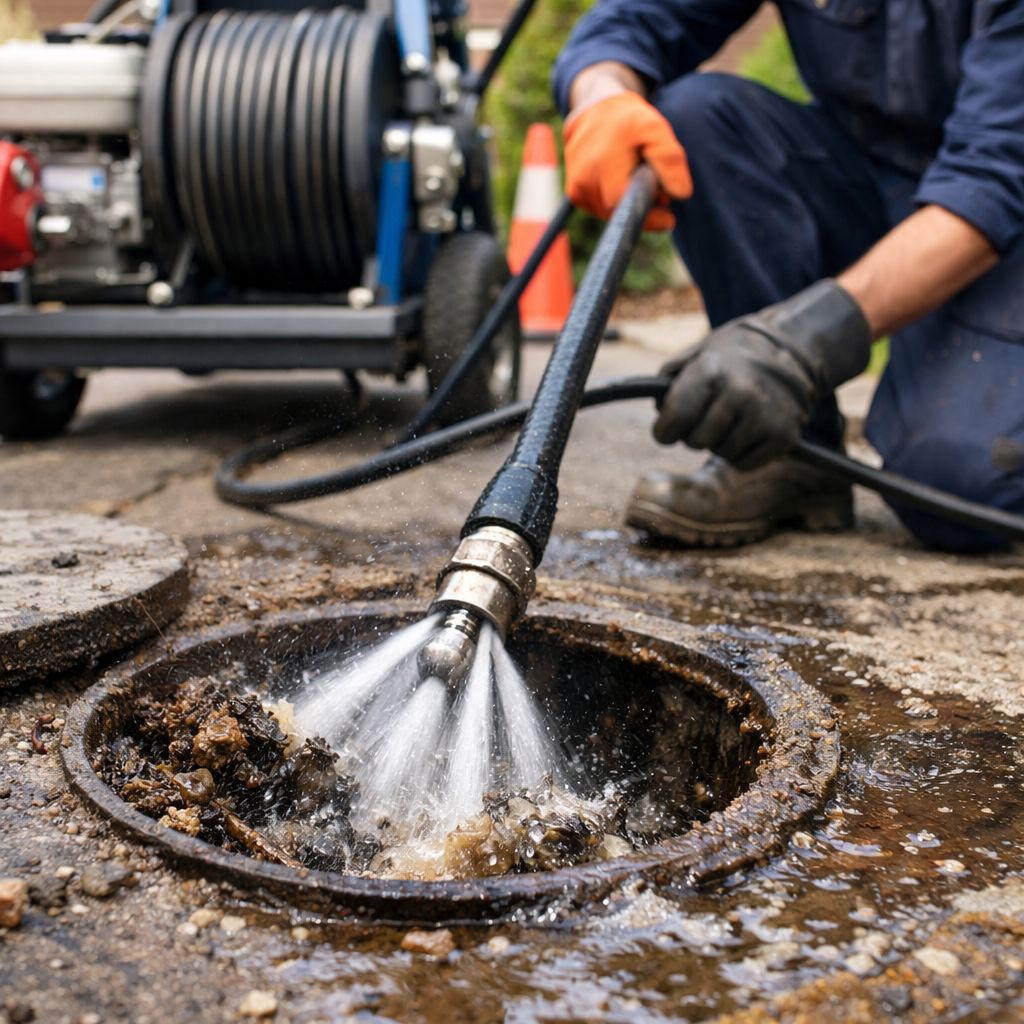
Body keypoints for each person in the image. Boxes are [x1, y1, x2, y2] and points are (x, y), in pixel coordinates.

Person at [552, 0, 1024, 553]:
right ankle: (787, 457)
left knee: (959, 498)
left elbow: (991, 180)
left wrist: (802, 343)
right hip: (869, 178)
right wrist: (601, 97)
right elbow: (632, 21)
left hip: (1004, 219)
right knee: (696, 115)